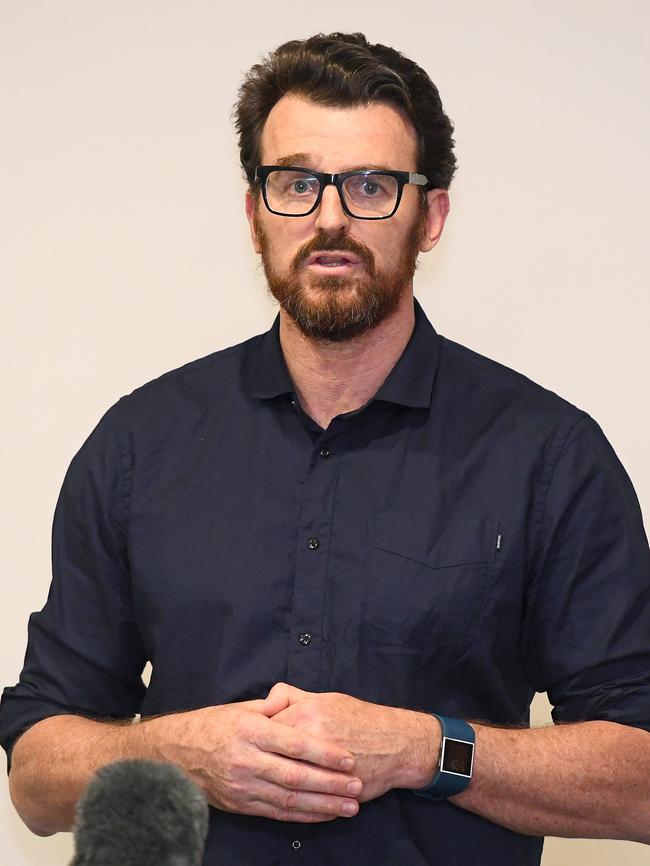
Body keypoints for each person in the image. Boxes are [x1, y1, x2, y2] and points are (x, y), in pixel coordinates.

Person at [1, 31, 649, 866]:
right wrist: (178, 754)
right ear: (253, 212)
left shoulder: (549, 457)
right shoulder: (138, 446)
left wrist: (427, 750)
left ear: (431, 215)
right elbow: (35, 777)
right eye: (296, 183)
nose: (331, 218)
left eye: (372, 185)